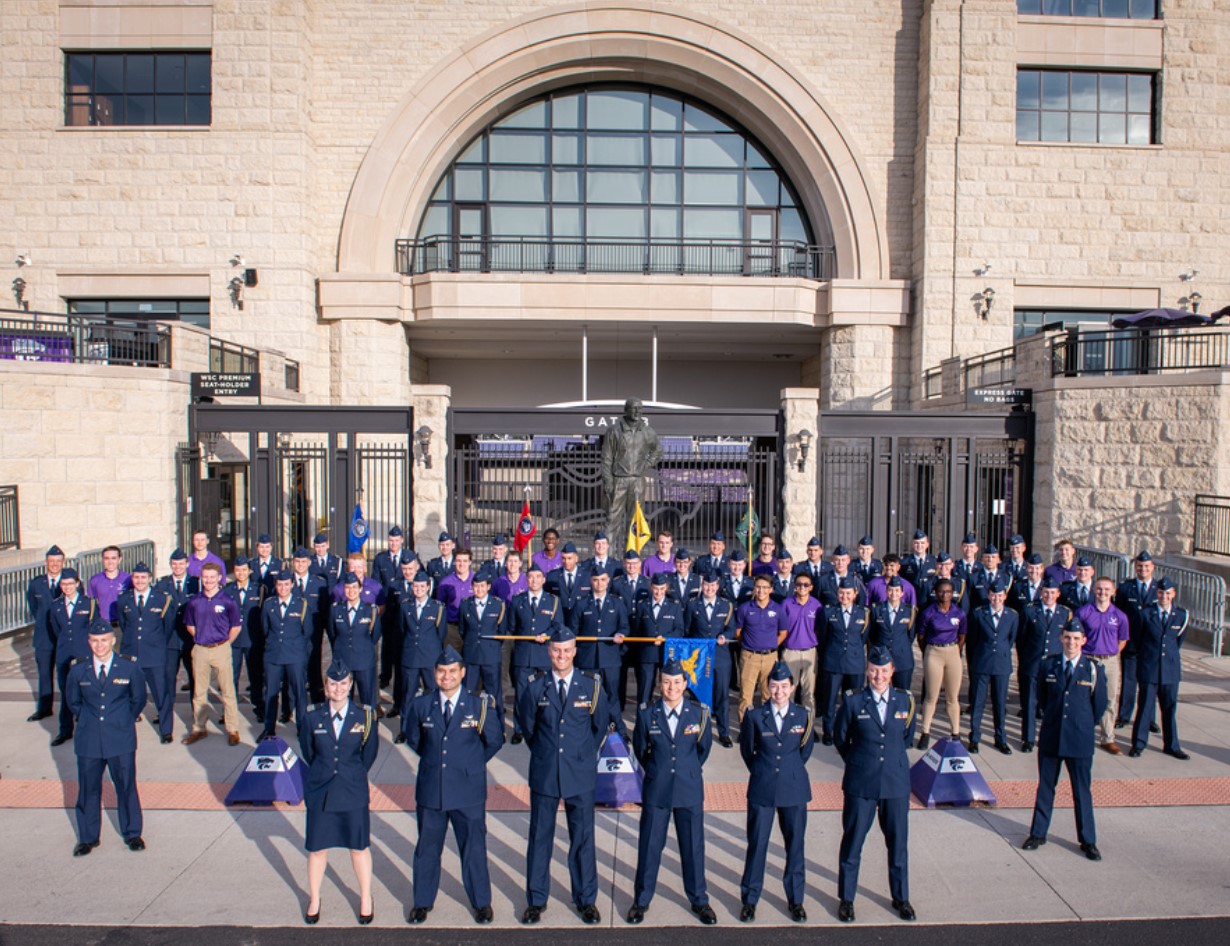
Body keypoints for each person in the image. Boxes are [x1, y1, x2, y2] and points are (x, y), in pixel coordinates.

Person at [403, 645, 503, 924]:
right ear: (434, 674)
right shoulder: (421, 704)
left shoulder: (479, 704)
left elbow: (494, 740)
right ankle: (422, 902)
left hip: (468, 790)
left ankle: (481, 902)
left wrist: (470, 763)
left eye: (451, 672)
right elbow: (414, 739)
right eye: (441, 671)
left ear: (462, 673)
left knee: (473, 848)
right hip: (432, 788)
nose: (446, 677)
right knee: (427, 848)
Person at [515, 628, 607, 926]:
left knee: (582, 838)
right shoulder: (534, 687)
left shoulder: (591, 686)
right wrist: (548, 752)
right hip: (545, 772)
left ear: (575, 651)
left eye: (567, 650)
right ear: (548, 651)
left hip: (579, 773)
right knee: (540, 837)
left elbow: (599, 727)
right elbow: (529, 728)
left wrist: (580, 756)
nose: (561, 656)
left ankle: (586, 900)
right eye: (556, 650)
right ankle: (536, 899)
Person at [627, 659, 716, 925]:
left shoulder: (699, 714)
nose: (671, 687)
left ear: (685, 685)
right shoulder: (646, 714)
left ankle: (699, 900)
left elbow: (703, 750)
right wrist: (660, 770)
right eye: (666, 681)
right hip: (658, 789)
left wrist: (685, 770)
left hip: (688, 789)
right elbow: (642, 750)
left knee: (693, 848)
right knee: (650, 846)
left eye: (677, 682)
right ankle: (641, 901)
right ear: (659, 683)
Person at [833, 646, 916, 923]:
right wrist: (860, 760)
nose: (878, 676)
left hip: (895, 782)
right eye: (873, 670)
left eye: (883, 670)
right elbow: (841, 738)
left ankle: (901, 897)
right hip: (862, 782)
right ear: (866, 671)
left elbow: (905, 738)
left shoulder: (906, 701)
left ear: (893, 671)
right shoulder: (854, 701)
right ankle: (846, 899)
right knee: (853, 842)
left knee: (898, 843)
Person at [299, 658, 379, 925]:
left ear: (351, 685)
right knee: (318, 849)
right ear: (325, 686)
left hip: (352, 788)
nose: (338, 688)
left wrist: (348, 772)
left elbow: (368, 755)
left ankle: (365, 897)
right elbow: (309, 752)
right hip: (321, 790)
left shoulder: (365, 715)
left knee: (358, 848)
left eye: (343, 683)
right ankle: (314, 898)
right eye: (333, 683)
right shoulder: (311, 715)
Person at [1022, 625, 1107, 861]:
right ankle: (1038, 833)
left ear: (1084, 640)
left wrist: (1082, 723)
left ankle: (1088, 840)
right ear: (1061, 638)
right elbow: (1042, 698)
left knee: (1081, 791)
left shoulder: (1092, 669)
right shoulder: (1048, 665)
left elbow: (1098, 705)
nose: (1071, 642)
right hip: (1052, 735)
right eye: (1068, 637)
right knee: (1045, 787)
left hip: (1079, 739)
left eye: (1076, 638)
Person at [738, 661, 814, 923]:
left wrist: (787, 771)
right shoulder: (755, 716)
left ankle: (796, 900)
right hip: (763, 786)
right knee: (757, 845)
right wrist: (764, 770)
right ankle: (749, 900)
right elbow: (748, 751)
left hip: (794, 789)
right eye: (774, 686)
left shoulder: (803, 716)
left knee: (795, 847)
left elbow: (804, 751)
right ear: (767, 688)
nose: (779, 691)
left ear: (792, 688)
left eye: (784, 686)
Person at [67, 623, 147, 856]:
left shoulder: (128, 668)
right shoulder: (78, 670)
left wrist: (122, 720)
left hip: (120, 737)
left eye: (104, 640)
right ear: (88, 642)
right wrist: (88, 720)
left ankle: (133, 833)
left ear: (113, 641)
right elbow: (73, 702)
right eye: (94, 640)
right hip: (89, 738)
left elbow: (138, 699)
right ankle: (88, 837)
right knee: (88, 789)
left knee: (126, 786)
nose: (99, 645)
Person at [182, 562, 243, 746]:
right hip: (200, 649)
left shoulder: (227, 601)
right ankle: (199, 728)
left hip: (221, 648)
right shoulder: (194, 601)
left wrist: (223, 643)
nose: (208, 580)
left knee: (227, 691)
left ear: (219, 578)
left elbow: (236, 626)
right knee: (199, 692)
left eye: (211, 577)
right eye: (205, 577)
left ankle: (232, 729)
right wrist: (203, 638)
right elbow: (190, 625)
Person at [115, 562, 176, 744]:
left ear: (150, 579)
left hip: (155, 653)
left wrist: (155, 644)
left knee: (161, 694)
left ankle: (166, 730)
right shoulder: (123, 599)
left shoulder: (162, 599)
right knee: (128, 694)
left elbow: (167, 627)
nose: (139, 581)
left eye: (143, 577)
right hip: (131, 654)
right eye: (136, 577)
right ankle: (125, 727)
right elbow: (124, 625)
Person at [1129, 576, 1189, 760]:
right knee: (1145, 707)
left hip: (1169, 670)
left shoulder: (1181, 615)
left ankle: (1171, 745)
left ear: (1173, 594)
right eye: (1161, 593)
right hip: (1149, 667)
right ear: (1157, 593)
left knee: (1170, 709)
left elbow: (1177, 641)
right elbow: (1138, 639)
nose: (1164, 596)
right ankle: (1138, 743)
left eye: (1168, 593)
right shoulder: (1146, 614)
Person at [51, 569, 110, 746]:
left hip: (83, 653)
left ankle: (92, 728)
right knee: (66, 691)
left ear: (77, 584)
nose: (67, 587)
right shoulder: (56, 605)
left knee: (88, 691)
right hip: (64, 653)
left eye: (70, 584)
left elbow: (95, 628)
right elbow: (56, 630)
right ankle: (65, 730)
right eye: (63, 584)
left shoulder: (89, 604)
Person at [1074, 577, 1128, 754]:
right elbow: (1076, 636)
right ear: (1094, 591)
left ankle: (1108, 738)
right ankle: (1082, 736)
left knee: (1110, 699)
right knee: (1084, 699)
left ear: (1113, 592)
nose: (1102, 593)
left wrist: (1109, 653)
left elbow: (1122, 640)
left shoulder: (1120, 616)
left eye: (1106, 589)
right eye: (1099, 589)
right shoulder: (1083, 612)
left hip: (1111, 660)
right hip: (1089, 659)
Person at [573, 569, 630, 738]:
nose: (599, 583)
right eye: (596, 580)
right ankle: (589, 730)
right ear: (591, 581)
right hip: (588, 658)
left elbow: (625, 626)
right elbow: (574, 630)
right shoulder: (582, 604)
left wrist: (621, 635)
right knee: (589, 697)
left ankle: (619, 728)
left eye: (603, 580)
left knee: (612, 695)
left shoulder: (617, 603)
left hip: (610, 658)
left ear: (608, 581)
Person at [508, 564, 561, 745]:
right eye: (530, 577)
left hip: (545, 654)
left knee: (547, 693)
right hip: (524, 654)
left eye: (538, 577)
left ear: (544, 579)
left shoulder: (552, 601)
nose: (534, 581)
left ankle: (546, 726)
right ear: (526, 580)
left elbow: (558, 626)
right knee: (522, 694)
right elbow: (512, 626)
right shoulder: (517, 601)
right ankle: (519, 729)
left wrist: (547, 634)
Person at [1017, 578, 1070, 752]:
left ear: (1058, 594)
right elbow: (1021, 638)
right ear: (1041, 592)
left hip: (1053, 666)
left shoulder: (1064, 613)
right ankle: (1028, 738)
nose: (1049, 596)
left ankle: (1051, 737)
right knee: (1030, 702)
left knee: (1053, 703)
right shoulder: (1030, 611)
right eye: (1046, 592)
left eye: (1053, 593)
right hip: (1032, 663)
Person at [966, 579, 1018, 754]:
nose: (996, 598)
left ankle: (1000, 738)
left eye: (1000, 595)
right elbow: (972, 640)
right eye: (993, 595)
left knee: (1000, 703)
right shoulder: (978, 614)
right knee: (978, 702)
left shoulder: (1012, 615)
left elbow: (1010, 639)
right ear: (988, 595)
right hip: (982, 662)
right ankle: (974, 737)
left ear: (1005, 596)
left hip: (1001, 664)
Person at [914, 578, 967, 750]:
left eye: (949, 592)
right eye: (941, 591)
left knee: (953, 697)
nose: (945, 595)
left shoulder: (959, 613)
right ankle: (925, 732)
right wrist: (929, 651)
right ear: (935, 592)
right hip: (933, 652)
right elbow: (921, 636)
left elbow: (962, 635)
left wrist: (954, 650)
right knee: (931, 696)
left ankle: (956, 732)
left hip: (952, 653)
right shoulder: (928, 612)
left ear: (953, 593)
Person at [259, 570, 311, 738]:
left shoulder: (301, 604)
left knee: (299, 692)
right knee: (271, 692)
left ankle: (302, 727)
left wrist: (298, 648)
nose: (283, 588)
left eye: (286, 584)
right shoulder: (269, 604)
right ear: (276, 586)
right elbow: (265, 629)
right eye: (280, 584)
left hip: (295, 654)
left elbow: (307, 631)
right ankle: (269, 728)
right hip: (274, 655)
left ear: (292, 585)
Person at [818, 577, 870, 745]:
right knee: (830, 699)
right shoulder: (828, 612)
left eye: (848, 593)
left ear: (855, 594)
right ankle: (828, 731)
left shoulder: (863, 613)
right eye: (841, 593)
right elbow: (823, 637)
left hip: (855, 663)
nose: (844, 596)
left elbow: (863, 637)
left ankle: (850, 730)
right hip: (833, 661)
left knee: (853, 700)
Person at [686, 569, 735, 747]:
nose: (709, 588)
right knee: (699, 695)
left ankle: (724, 732)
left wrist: (725, 636)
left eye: (713, 585)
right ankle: (700, 731)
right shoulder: (693, 605)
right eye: (706, 585)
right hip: (699, 658)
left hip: (720, 657)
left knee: (722, 695)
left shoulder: (725, 605)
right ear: (702, 585)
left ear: (717, 586)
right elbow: (686, 629)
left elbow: (731, 628)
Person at [602, 397, 662, 540]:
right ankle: (607, 558)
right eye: (633, 408)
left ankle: (632, 558)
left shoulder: (648, 432)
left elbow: (658, 451)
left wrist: (645, 464)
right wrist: (608, 482)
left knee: (635, 521)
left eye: (639, 408)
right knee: (612, 520)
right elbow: (606, 458)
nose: (637, 411)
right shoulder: (614, 431)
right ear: (626, 410)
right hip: (619, 480)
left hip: (637, 481)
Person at [394, 571, 446, 737]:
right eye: (415, 586)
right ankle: (405, 729)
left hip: (430, 657)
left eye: (422, 586)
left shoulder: (437, 607)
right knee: (408, 694)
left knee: (433, 692)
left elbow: (441, 633)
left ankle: (433, 727)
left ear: (428, 588)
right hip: (410, 658)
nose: (418, 589)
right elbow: (401, 631)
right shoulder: (405, 606)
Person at [733, 574, 788, 722]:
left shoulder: (778, 609)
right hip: (749, 656)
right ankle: (745, 729)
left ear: (770, 589)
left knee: (769, 695)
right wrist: (750, 645)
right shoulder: (745, 608)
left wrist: (771, 645)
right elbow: (738, 633)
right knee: (746, 696)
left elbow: (783, 633)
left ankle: (767, 726)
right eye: (758, 587)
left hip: (770, 657)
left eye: (765, 587)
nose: (761, 590)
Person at [458, 568, 507, 727]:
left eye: (482, 586)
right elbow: (462, 630)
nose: (479, 589)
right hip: (471, 655)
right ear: (472, 587)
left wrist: (490, 647)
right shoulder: (466, 604)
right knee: (469, 691)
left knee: (494, 693)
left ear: (488, 587)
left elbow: (502, 631)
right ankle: (469, 723)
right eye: (476, 586)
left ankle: (497, 725)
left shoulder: (498, 605)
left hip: (491, 656)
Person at [1115, 550, 1157, 729]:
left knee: (1149, 683)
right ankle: (1124, 715)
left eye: (1146, 566)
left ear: (1152, 568)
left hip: (1150, 645)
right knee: (1129, 681)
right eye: (1139, 566)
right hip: (1131, 643)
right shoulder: (1126, 588)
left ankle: (1149, 718)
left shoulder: (1159, 589)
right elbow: (1119, 615)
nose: (1143, 569)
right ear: (1135, 568)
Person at [329, 573, 382, 708]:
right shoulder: (335, 609)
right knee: (343, 700)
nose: (350, 591)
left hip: (364, 660)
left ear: (360, 589)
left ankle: (370, 728)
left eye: (354, 587)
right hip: (343, 660)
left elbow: (375, 635)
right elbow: (332, 634)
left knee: (367, 700)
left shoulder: (371, 610)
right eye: (347, 588)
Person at [26, 544, 66, 721]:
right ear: (46, 562)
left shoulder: (70, 582)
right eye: (51, 561)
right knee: (44, 673)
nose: (55, 564)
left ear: (63, 562)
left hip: (64, 636)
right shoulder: (36, 584)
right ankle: (44, 708)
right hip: (44, 637)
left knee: (66, 674)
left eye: (58, 561)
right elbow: (34, 607)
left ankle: (70, 707)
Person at [224, 556, 265, 721]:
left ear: (249, 571)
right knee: (230, 677)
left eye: (244, 570)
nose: (241, 573)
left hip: (253, 640)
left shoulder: (259, 590)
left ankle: (260, 708)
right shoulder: (227, 590)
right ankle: (229, 711)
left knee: (256, 676)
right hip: (233, 640)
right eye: (237, 570)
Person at [632, 572, 683, 708]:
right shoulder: (642, 605)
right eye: (655, 588)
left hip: (667, 654)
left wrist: (665, 638)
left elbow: (679, 630)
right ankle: (642, 723)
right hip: (647, 654)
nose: (658, 592)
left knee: (668, 691)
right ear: (651, 587)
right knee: (645, 691)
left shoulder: (674, 606)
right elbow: (637, 629)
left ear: (666, 587)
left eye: (661, 588)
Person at [287, 547, 329, 705]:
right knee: (293, 670)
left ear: (309, 563)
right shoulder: (287, 582)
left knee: (313, 667)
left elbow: (324, 610)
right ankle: (290, 706)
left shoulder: (319, 584)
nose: (300, 565)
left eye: (303, 562)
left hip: (313, 634)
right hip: (292, 635)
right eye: (297, 562)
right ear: (293, 562)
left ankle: (317, 702)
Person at [156, 549, 199, 694]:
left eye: (181, 564)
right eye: (174, 564)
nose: (177, 567)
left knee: (195, 678)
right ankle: (166, 714)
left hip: (190, 639)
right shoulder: (162, 584)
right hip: (170, 639)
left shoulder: (196, 583)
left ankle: (197, 714)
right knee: (168, 679)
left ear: (187, 564)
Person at [780, 570, 822, 708]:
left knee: (808, 692)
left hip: (810, 652)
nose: (802, 587)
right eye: (799, 584)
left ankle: (808, 727)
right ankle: (787, 725)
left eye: (805, 584)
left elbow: (818, 629)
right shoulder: (786, 604)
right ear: (794, 586)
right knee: (788, 691)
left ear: (811, 587)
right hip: (790, 652)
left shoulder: (816, 606)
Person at [870, 577, 916, 692]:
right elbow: (872, 634)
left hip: (902, 659)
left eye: (896, 590)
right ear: (886, 591)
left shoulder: (909, 611)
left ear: (902, 593)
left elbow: (911, 634)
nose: (893, 593)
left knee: (903, 693)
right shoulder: (877, 609)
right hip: (881, 658)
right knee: (879, 692)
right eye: (890, 590)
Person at [87, 544, 131, 625]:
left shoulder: (128, 579)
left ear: (119, 559)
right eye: (106, 558)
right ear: (102, 560)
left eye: (113, 558)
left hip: (123, 624)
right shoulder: (95, 580)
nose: (110, 562)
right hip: (103, 624)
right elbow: (91, 603)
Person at [899, 530, 936, 600]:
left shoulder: (934, 562)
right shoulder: (904, 563)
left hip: (929, 600)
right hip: (910, 599)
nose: (919, 546)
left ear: (927, 544)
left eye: (922, 543)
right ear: (912, 544)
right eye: (916, 543)